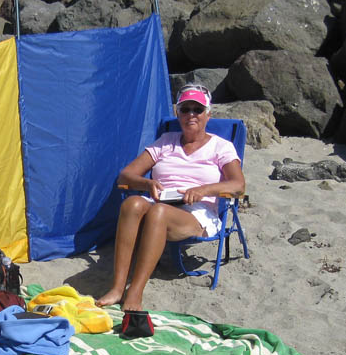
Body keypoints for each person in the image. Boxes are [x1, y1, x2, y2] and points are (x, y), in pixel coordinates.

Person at [96, 84, 245, 311]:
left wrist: (204, 190)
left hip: (198, 212)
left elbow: (238, 185)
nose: (191, 115)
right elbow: (125, 176)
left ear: (208, 114)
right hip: (163, 201)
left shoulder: (221, 147)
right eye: (185, 109)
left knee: (158, 212)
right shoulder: (166, 141)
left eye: (198, 109)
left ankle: (135, 293)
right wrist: (148, 183)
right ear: (178, 113)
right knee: (132, 203)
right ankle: (117, 288)